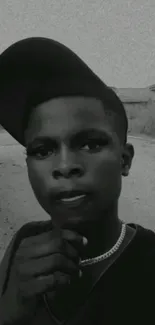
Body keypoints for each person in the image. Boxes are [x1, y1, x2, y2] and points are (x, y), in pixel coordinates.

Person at [0, 37, 154, 325]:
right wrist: (9, 308)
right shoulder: (25, 242)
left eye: (90, 144)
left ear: (125, 159)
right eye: (43, 150)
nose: (65, 166)